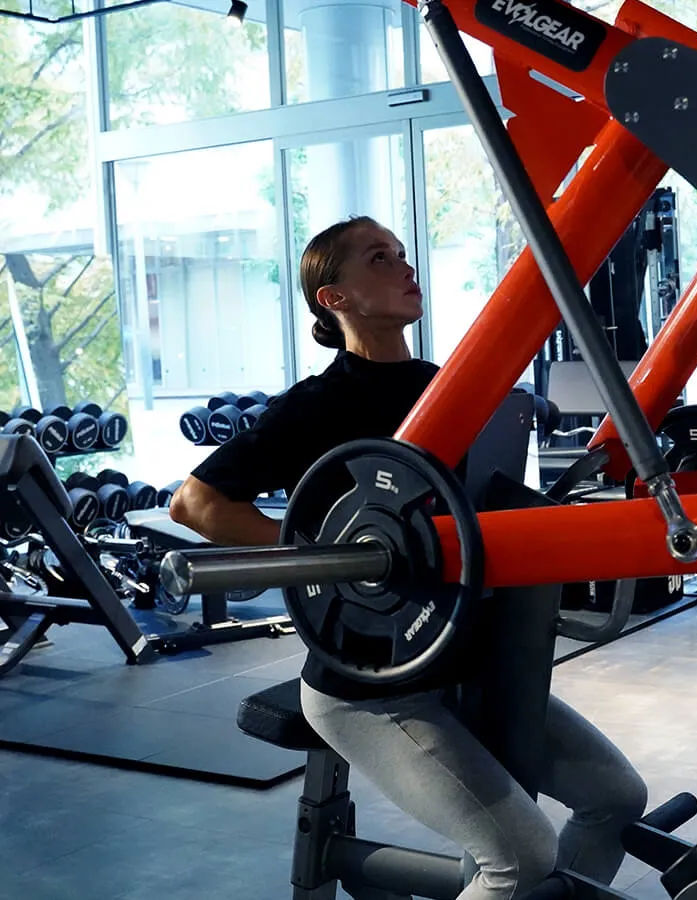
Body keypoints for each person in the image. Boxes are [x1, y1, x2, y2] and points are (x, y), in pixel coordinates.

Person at [169, 215, 648, 900]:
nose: (405, 265)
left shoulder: (449, 387)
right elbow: (195, 503)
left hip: (471, 661)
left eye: (401, 252)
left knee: (617, 798)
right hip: (370, 689)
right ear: (335, 298)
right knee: (519, 856)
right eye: (378, 258)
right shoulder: (318, 405)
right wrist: (326, 558)